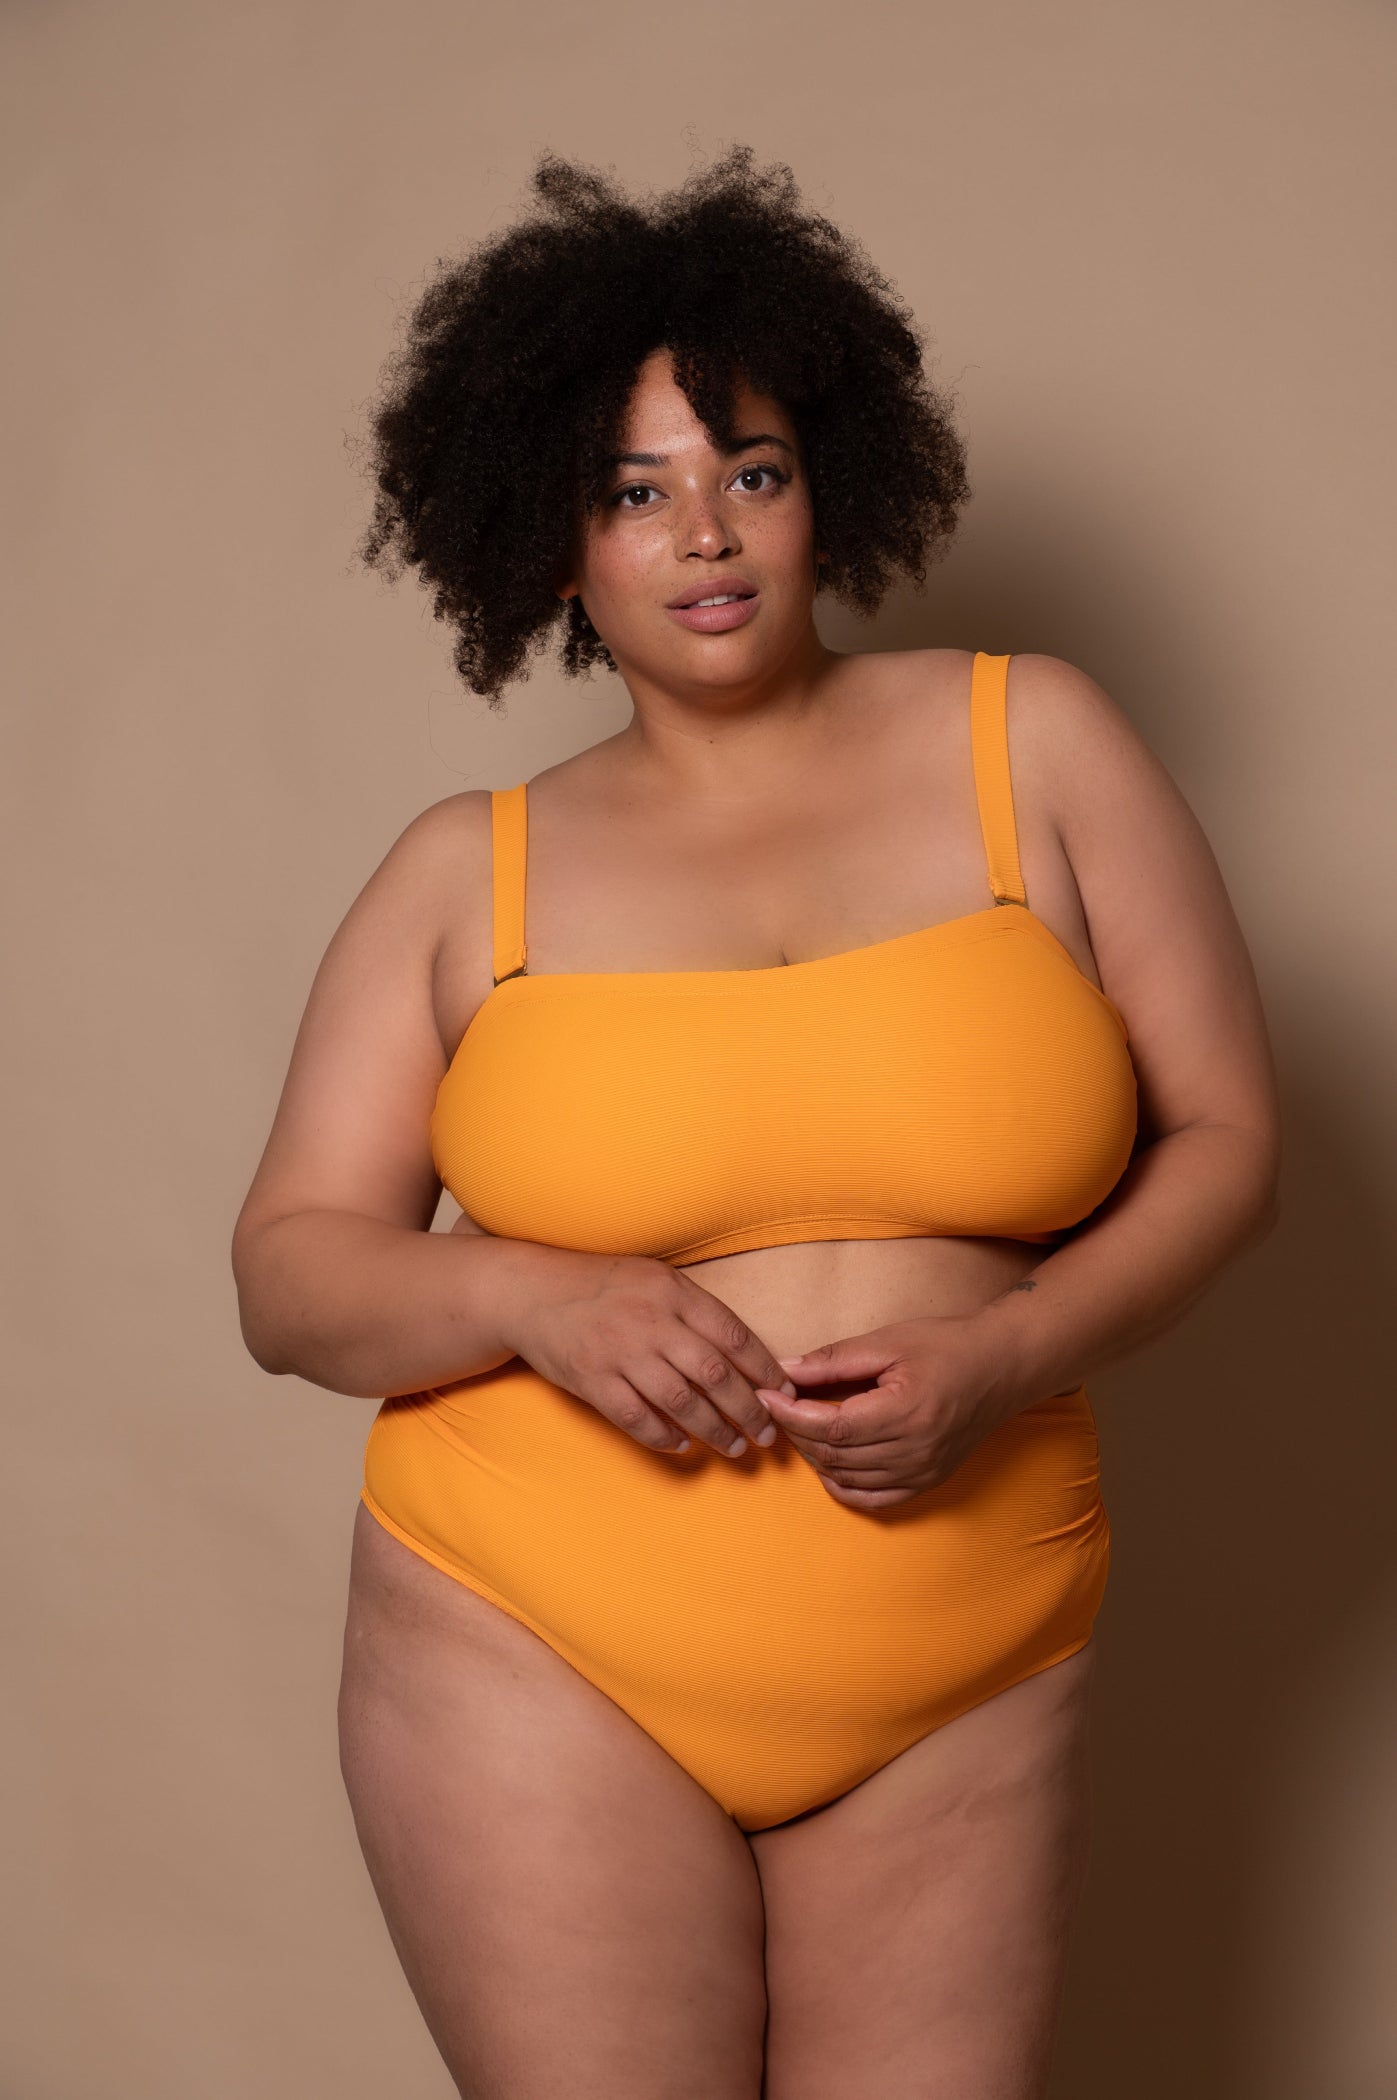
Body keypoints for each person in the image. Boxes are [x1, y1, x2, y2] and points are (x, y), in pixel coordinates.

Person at [231, 146, 1281, 2099]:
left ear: (830, 490)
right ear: (551, 545)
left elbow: (1226, 1139)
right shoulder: (465, 875)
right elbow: (289, 1279)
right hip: (535, 1643)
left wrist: (1011, 1352)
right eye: (633, 492)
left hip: (966, 1652)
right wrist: (535, 1296)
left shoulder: (1034, 744)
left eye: (753, 471)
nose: (704, 533)